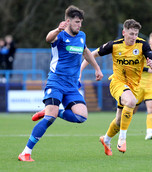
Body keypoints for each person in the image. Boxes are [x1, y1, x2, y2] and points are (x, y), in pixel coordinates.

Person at [18, 5, 103, 162]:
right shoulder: (60, 36)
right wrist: (57, 30)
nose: (79, 25)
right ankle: (25, 152)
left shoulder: (82, 35)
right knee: (50, 119)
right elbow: (48, 38)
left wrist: (97, 68)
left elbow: (86, 52)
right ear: (68, 21)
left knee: (81, 117)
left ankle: (52, 111)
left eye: (81, 22)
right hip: (56, 82)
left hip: (72, 85)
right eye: (77, 22)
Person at [80, 19, 152, 156]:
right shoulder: (114, 45)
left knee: (118, 120)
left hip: (133, 87)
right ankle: (122, 138)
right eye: (131, 34)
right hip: (117, 82)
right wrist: (79, 71)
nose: (134, 37)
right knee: (132, 102)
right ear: (124, 32)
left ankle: (106, 139)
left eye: (136, 34)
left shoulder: (143, 45)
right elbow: (91, 55)